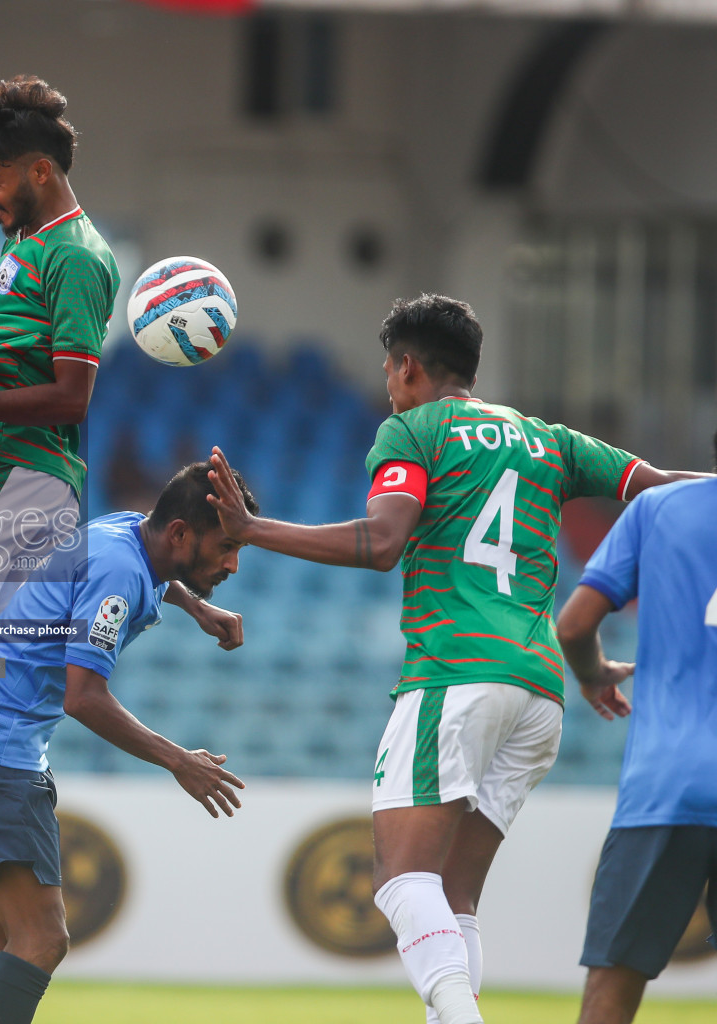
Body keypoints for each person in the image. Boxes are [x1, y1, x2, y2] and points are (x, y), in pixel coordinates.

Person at [202, 294, 705, 1024]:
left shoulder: (414, 429)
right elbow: (660, 490)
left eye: (388, 367)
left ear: (409, 368)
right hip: (539, 692)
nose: (385, 381)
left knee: (401, 879)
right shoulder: (549, 439)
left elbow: (381, 542)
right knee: (453, 894)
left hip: (456, 674)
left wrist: (252, 528)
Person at [0, 75, 244, 979]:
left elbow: (74, 394)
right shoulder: (29, 244)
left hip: (13, 473)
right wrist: (194, 602)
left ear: (40, 169)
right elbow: (118, 535)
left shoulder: (76, 256)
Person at [0, 462, 252, 1024]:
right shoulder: (119, 572)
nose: (233, 564)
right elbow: (84, 697)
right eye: (228, 547)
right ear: (179, 534)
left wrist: (198, 606)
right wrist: (178, 761)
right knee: (43, 939)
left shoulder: (124, 530)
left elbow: (151, 572)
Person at [556, 433, 717, 1024]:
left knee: (612, 990)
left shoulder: (657, 509)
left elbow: (573, 626)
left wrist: (595, 674)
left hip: (666, 785)